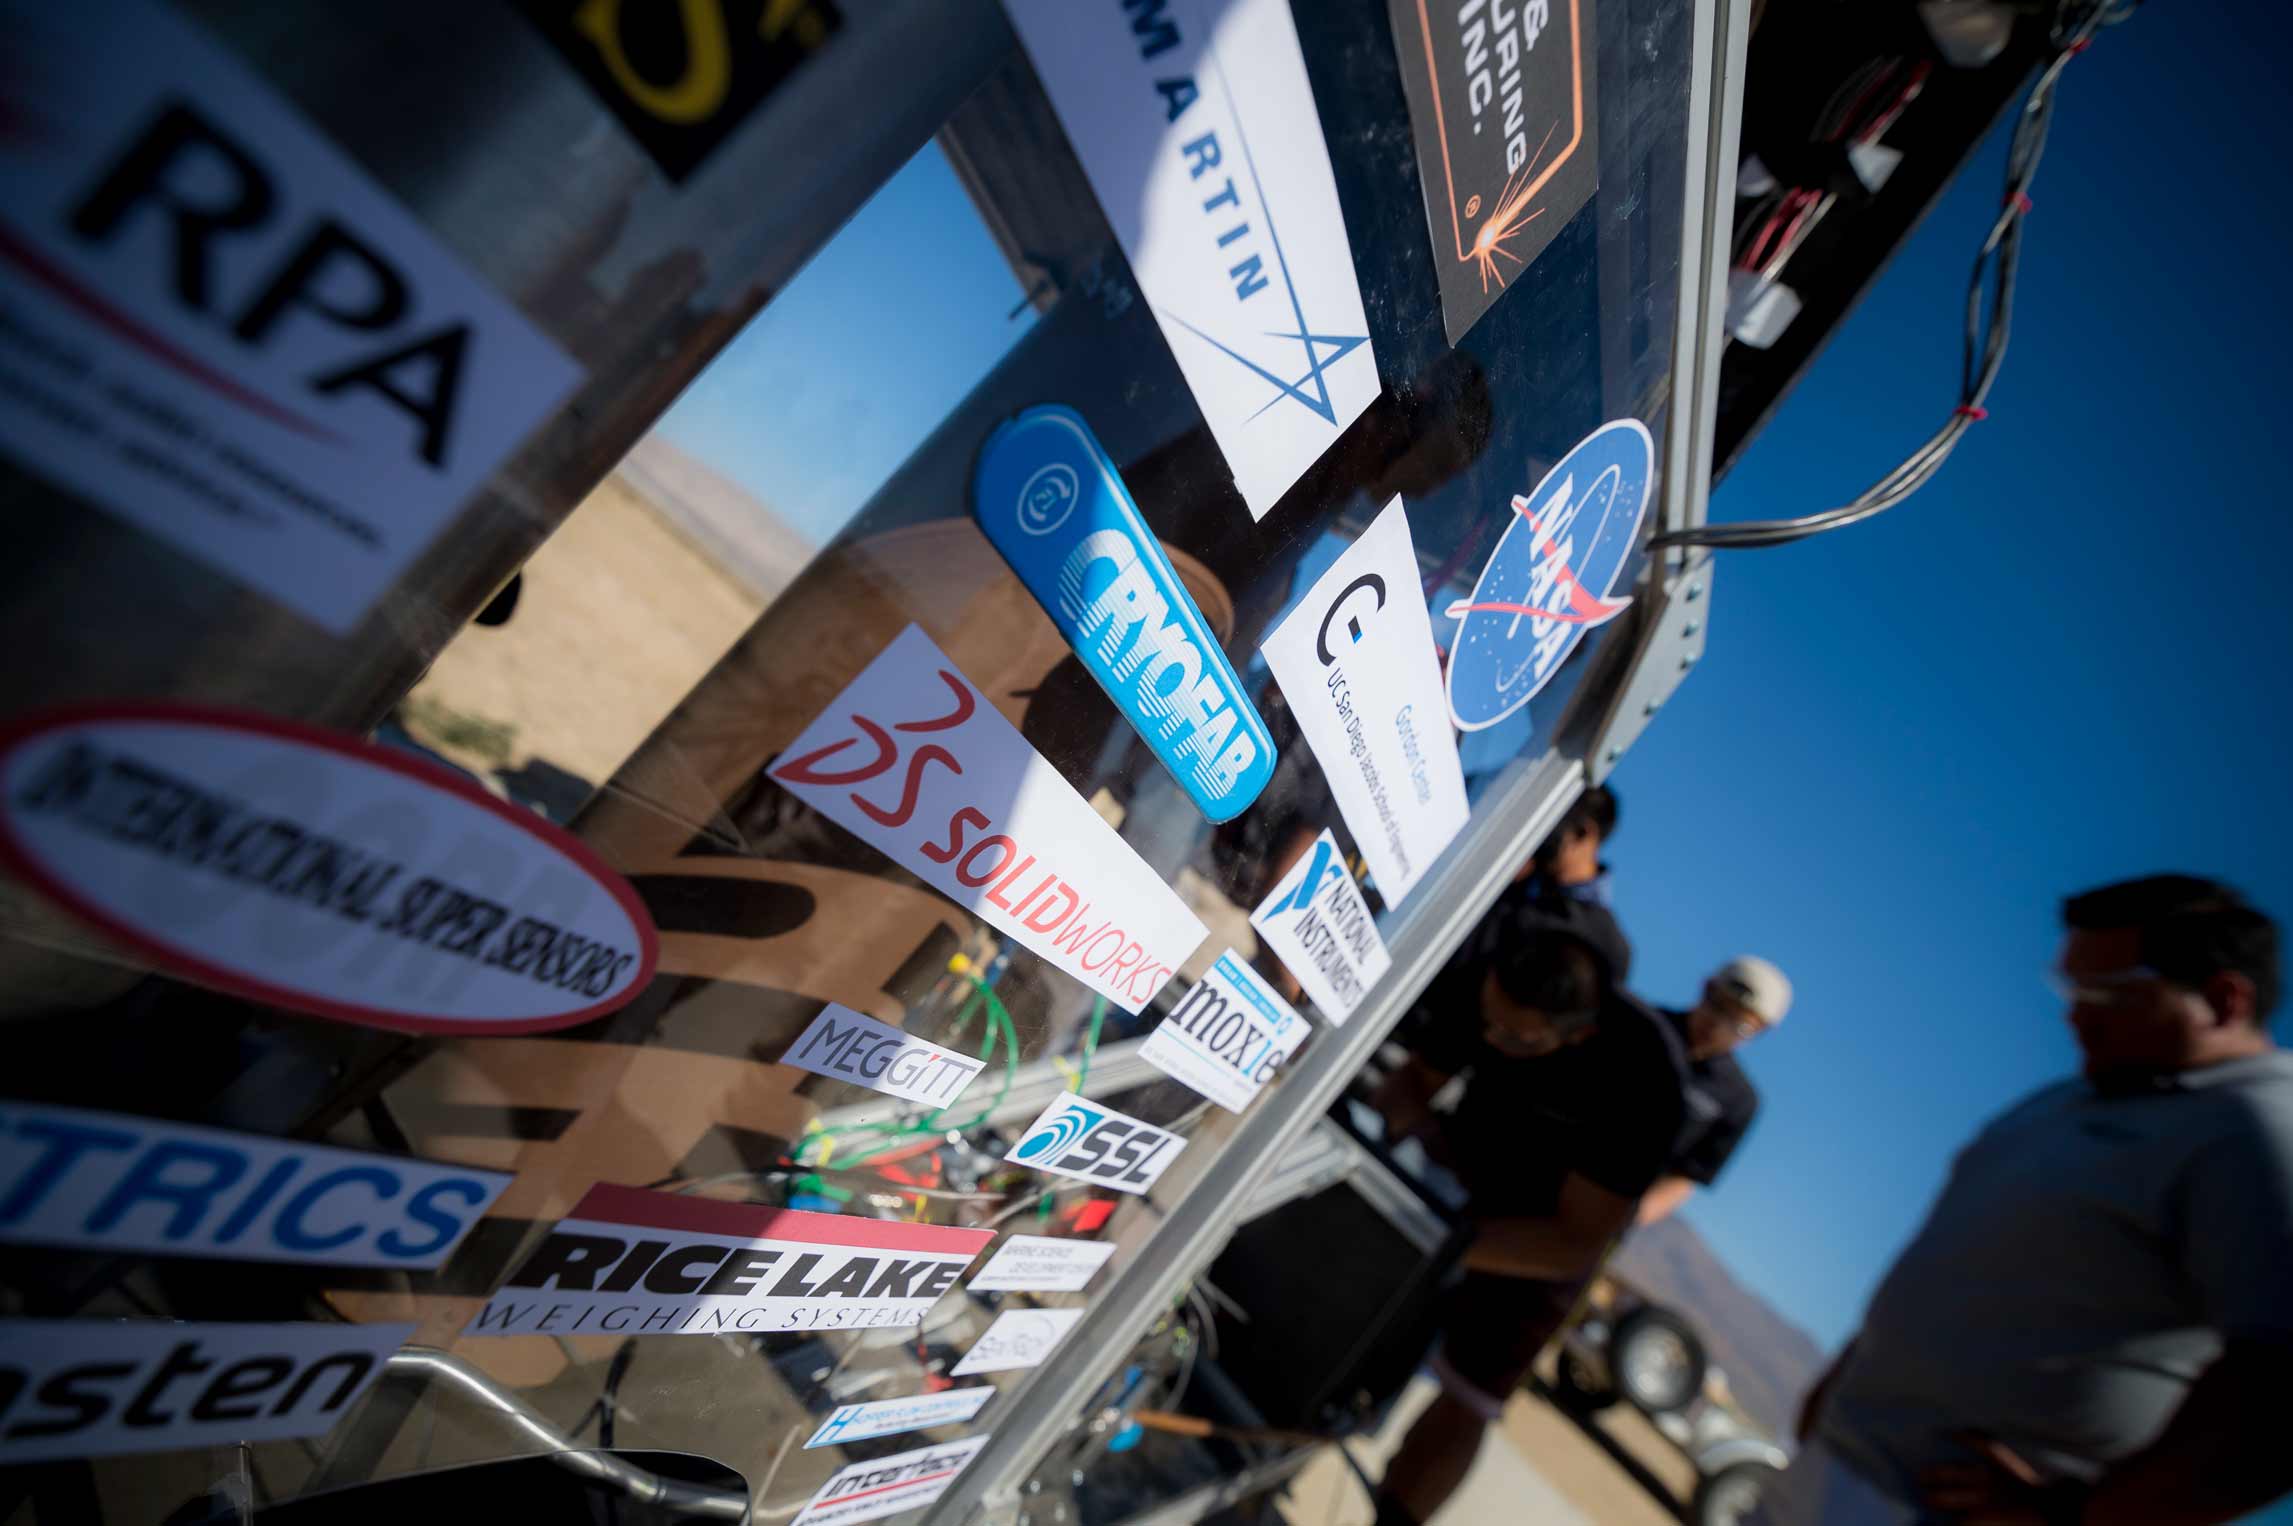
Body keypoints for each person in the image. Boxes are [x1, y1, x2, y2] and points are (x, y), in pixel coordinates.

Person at [1758, 875, 2293, 1526]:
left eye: (2104, 993)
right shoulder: (2064, 1101)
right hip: (1832, 1466)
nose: (2074, 1015)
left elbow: (2276, 1395)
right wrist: (1844, 1380)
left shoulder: (2257, 1131)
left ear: (2222, 1000)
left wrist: (2074, 1516)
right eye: (2070, 989)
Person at [1370, 896, 1691, 1526]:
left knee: (1468, 1394)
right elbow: (1411, 1085)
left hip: (1544, 1237)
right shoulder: (1488, 986)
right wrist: (1392, 1149)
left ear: (1578, 1033)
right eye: (1488, 1023)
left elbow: (1575, 1239)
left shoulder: (1646, 1079)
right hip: (1461, 1169)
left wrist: (1444, 1243)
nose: (1492, 1040)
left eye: (1517, 1038)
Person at [1638, 955, 1793, 1226]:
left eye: (1739, 1025)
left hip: (1608, 1208)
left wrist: (1625, 1221)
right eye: (1717, 1004)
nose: (1717, 1024)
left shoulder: (1739, 1100)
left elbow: (1686, 1178)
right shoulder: (1637, 1025)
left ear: (1760, 1031)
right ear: (1706, 987)